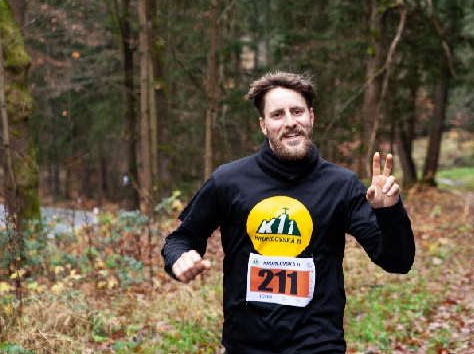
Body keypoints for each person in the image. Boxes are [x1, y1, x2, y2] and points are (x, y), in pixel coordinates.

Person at [161, 72, 414, 353]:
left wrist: (389, 212)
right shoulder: (229, 181)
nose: (290, 122)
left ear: (311, 117)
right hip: (246, 346)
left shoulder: (341, 185)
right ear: (263, 125)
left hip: (318, 344)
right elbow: (180, 239)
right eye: (277, 114)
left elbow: (397, 261)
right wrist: (179, 259)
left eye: (297, 111)